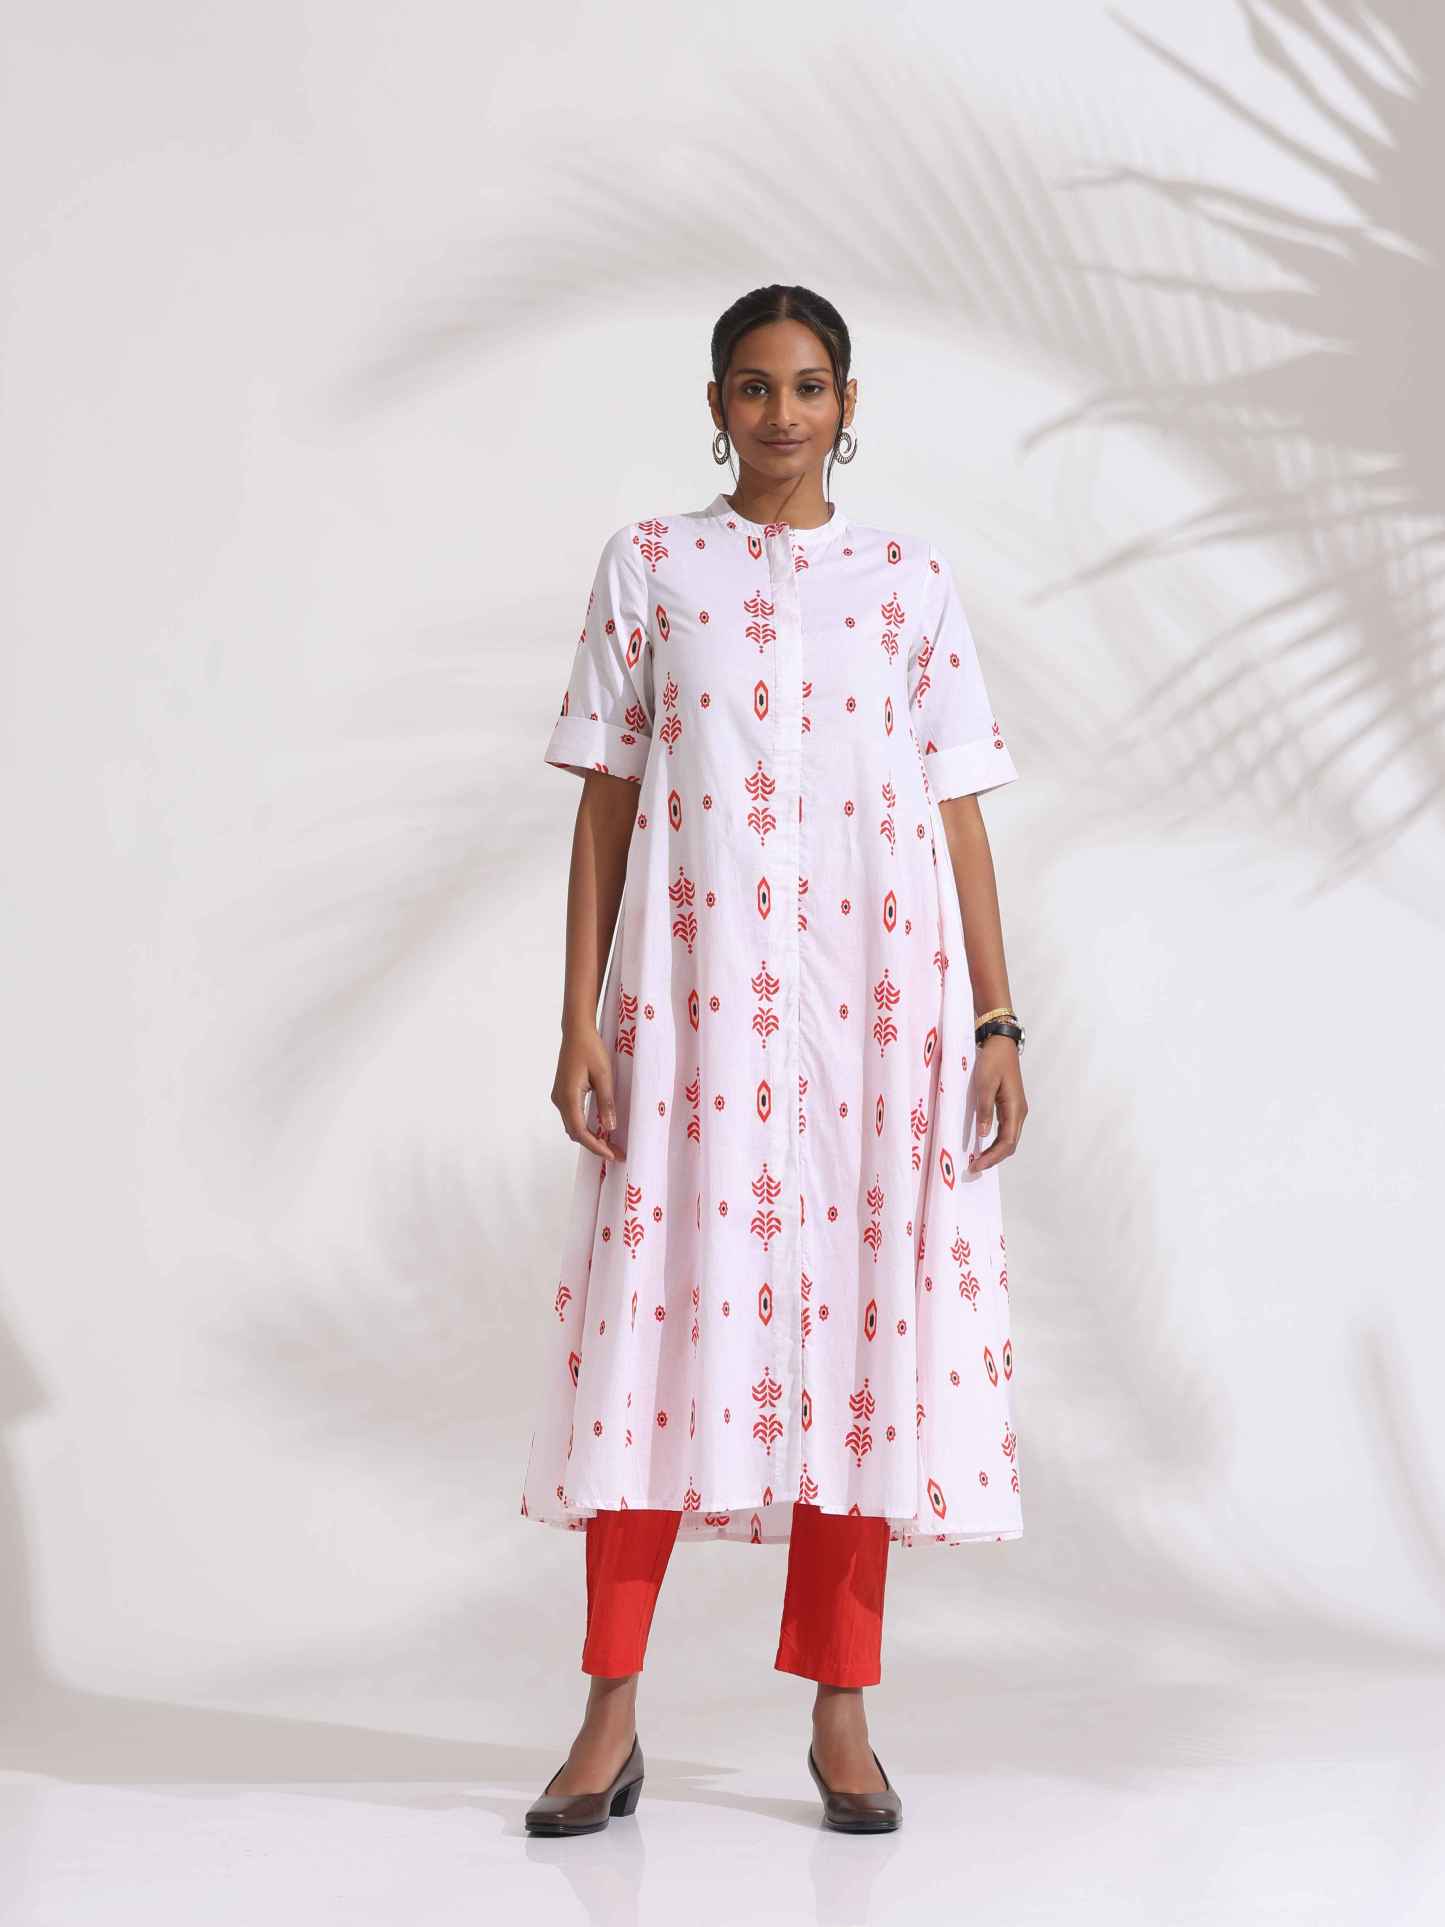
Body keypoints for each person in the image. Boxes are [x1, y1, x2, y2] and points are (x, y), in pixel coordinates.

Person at [521, 284, 1028, 1836]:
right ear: (715, 404)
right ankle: (609, 1710)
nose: (782, 414)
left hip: (881, 1016)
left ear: (846, 402)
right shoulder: (650, 566)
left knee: (860, 1340)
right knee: (652, 1333)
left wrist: (996, 1019)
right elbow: (605, 803)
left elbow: (955, 807)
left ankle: (841, 1710)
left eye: (808, 387)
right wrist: (579, 1016)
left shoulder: (907, 583)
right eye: (754, 387)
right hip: (695, 1015)